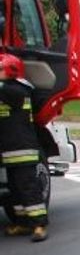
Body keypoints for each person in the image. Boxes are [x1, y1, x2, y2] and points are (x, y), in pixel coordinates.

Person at [0, 53, 48, 242]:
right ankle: (23, 223)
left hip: (21, 150)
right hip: (11, 151)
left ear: (11, 71)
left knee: (28, 188)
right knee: (15, 190)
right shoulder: (12, 89)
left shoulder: (16, 90)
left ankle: (39, 225)